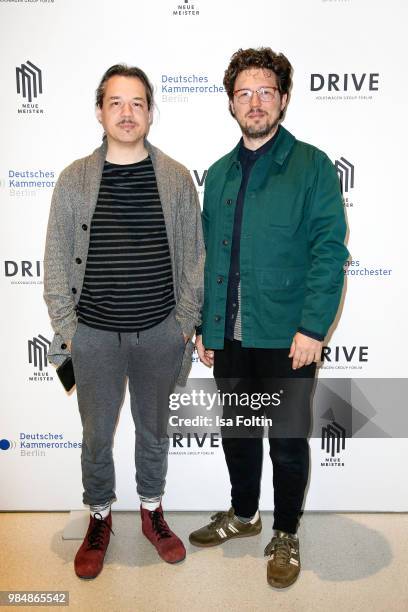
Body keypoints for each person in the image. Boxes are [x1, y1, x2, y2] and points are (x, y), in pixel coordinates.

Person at [189, 48, 349, 589]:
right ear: (231, 103)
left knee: (284, 440)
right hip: (229, 335)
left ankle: (285, 532)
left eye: (265, 92)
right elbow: (210, 257)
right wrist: (205, 328)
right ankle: (244, 514)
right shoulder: (217, 173)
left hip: (287, 336)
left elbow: (330, 252)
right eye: (244, 93)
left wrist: (312, 328)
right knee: (236, 433)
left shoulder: (312, 166)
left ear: (283, 98)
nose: (254, 102)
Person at [44, 64, 204, 578]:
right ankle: (99, 516)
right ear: (99, 111)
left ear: (151, 112)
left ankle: (152, 511)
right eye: (116, 102)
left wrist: (184, 322)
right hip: (92, 337)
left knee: (153, 432)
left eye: (137, 103)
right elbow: (54, 260)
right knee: (96, 436)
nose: (127, 112)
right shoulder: (74, 179)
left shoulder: (178, 178)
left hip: (161, 332)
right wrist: (70, 333)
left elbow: (195, 259)